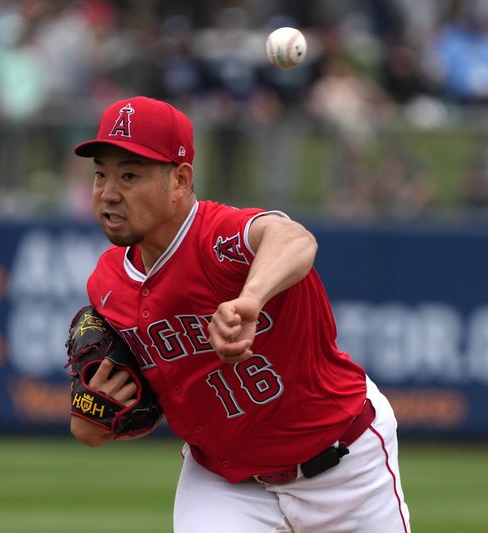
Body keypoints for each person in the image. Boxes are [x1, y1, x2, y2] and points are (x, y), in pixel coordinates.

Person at [69, 95, 411, 533]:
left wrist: (250, 298)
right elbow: (112, 407)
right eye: (101, 174)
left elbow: (293, 238)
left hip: (344, 466)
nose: (108, 193)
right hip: (224, 482)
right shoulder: (106, 282)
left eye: (129, 175)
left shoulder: (217, 237)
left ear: (180, 180)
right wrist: (93, 414)